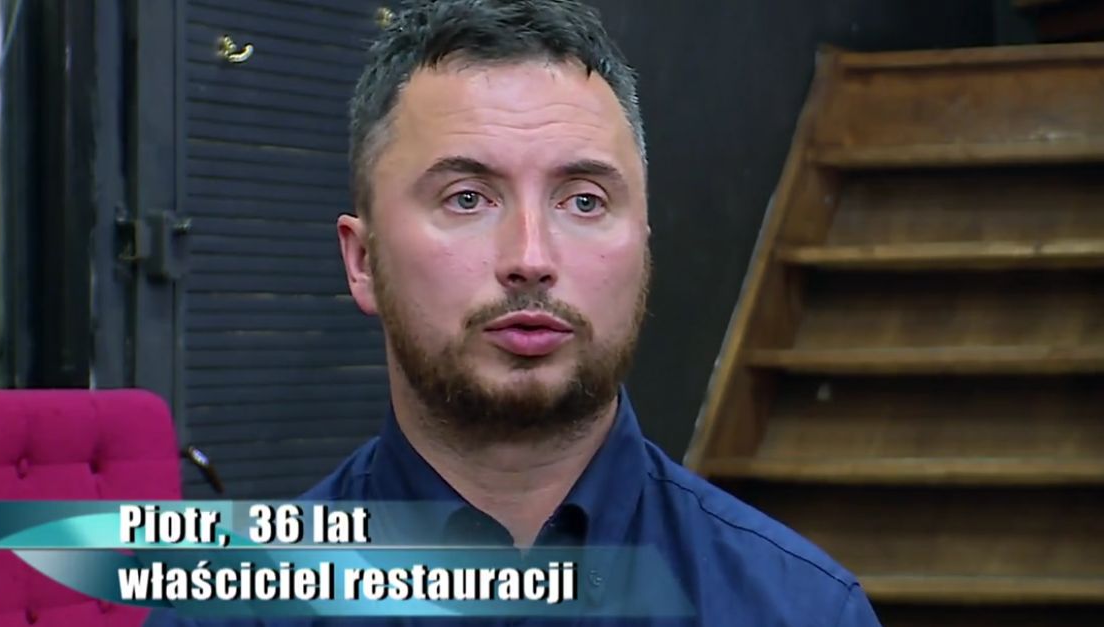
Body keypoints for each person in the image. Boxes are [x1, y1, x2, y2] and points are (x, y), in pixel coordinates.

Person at [146, 0, 881, 625]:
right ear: (363, 260)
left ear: (643, 249)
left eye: (583, 201)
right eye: (467, 198)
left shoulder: (801, 609)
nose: (530, 257)